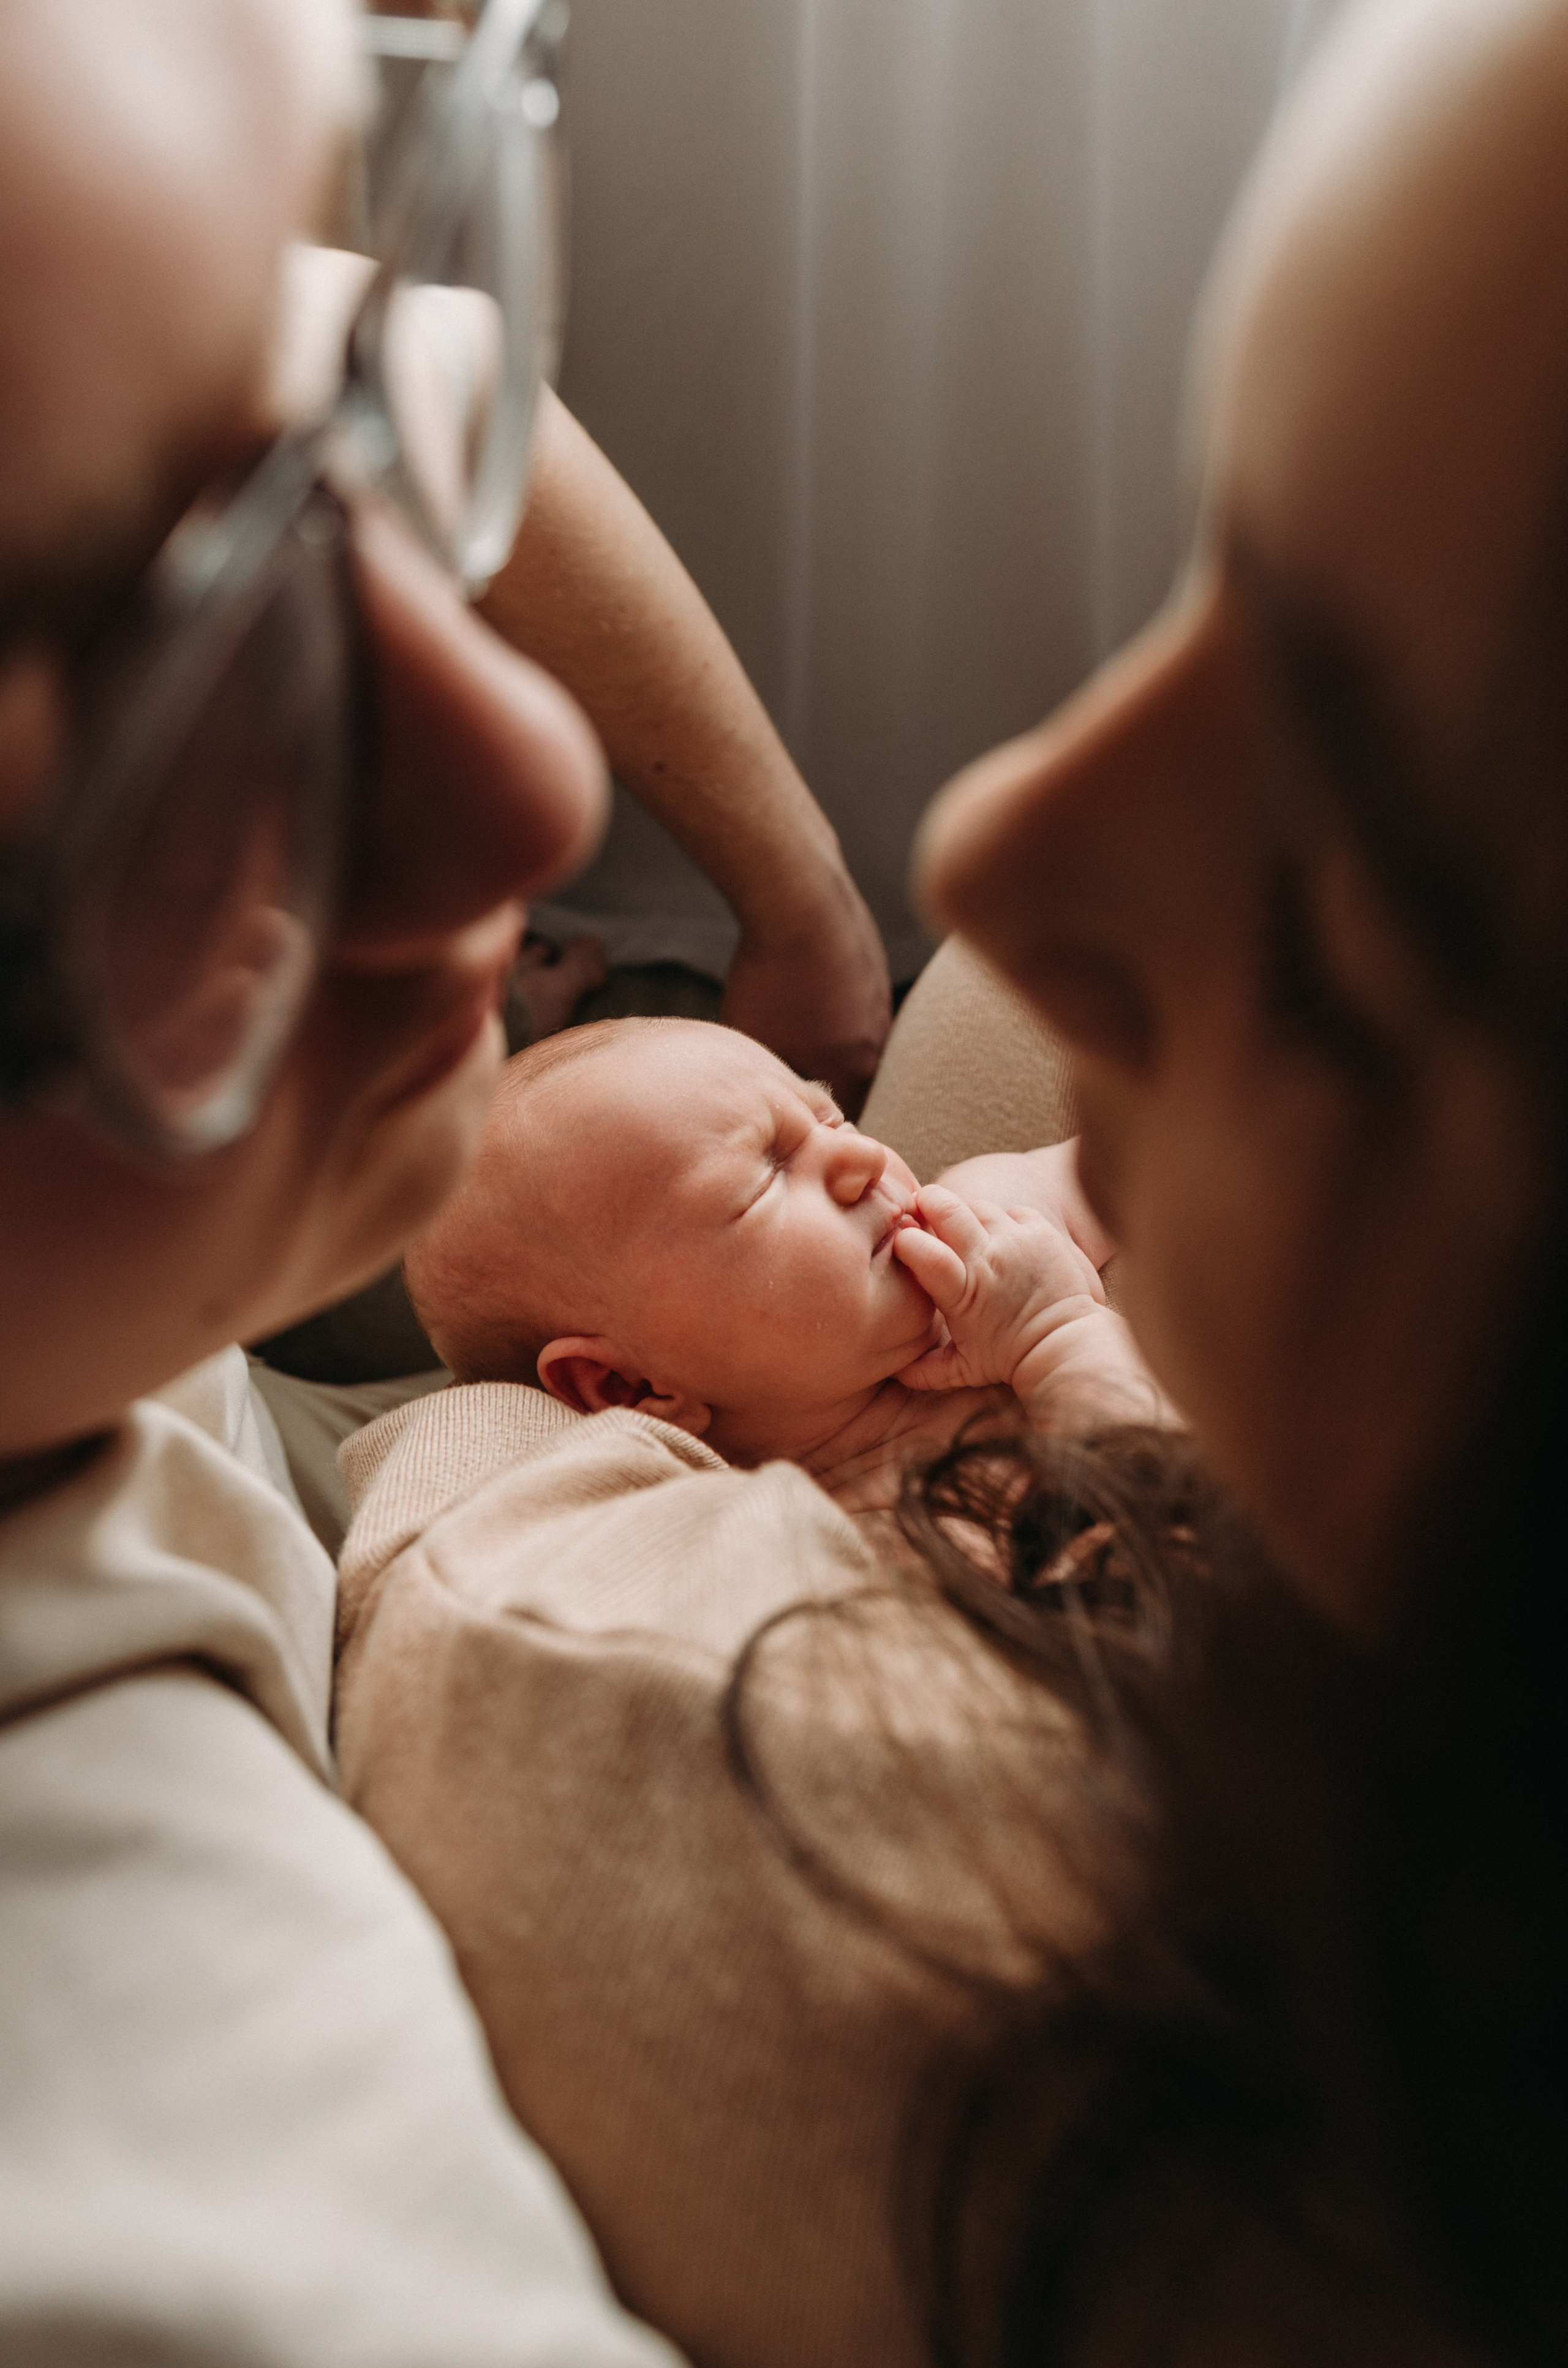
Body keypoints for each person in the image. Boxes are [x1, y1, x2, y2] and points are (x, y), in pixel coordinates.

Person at [336, 2, 1568, 2366]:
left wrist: (1048, 1311)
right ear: (630, 1387)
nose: (981, 835)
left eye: (1331, 916)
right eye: (1188, 573)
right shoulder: (718, 1484)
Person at [401, 1015, 1161, 1489]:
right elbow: (1159, 1539)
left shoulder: (984, 1223)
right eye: (764, 1177)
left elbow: (1170, 1154)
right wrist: (1050, 1336)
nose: (858, 1157)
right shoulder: (798, 1526)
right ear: (623, 1387)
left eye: (829, 1114)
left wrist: (1056, 1330)